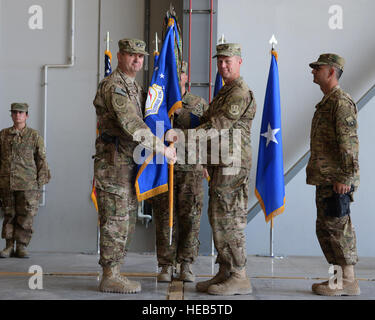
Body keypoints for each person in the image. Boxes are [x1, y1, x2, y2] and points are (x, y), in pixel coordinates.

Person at [169, 43, 257, 295]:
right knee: (218, 217)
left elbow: (216, 126)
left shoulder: (239, 92)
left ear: (239, 62)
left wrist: (180, 136)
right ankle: (225, 271)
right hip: (220, 163)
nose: (223, 65)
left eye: (228, 60)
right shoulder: (225, 92)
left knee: (229, 219)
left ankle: (239, 275)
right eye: (219, 61)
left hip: (233, 165)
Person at [93, 38, 176, 294]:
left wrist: (167, 133)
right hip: (113, 164)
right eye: (131, 55)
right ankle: (110, 275)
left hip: (129, 164)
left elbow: (150, 117)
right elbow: (133, 124)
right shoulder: (113, 86)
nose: (137, 60)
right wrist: (162, 148)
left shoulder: (136, 87)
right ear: (119, 56)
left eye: (140, 57)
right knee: (116, 220)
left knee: (126, 220)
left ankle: (115, 271)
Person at [307, 53, 360, 296]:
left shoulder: (341, 102)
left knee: (339, 229)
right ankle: (338, 280)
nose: (313, 72)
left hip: (337, 180)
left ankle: (348, 280)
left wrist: (345, 178)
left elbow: (349, 145)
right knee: (325, 229)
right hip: (325, 179)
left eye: (317, 68)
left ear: (331, 72)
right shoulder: (327, 102)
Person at [151, 61, 208, 283]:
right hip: (163, 169)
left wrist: (205, 164)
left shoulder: (198, 104)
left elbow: (209, 135)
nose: (177, 77)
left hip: (191, 170)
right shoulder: (157, 104)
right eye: (173, 73)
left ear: (186, 77)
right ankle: (166, 264)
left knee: (190, 217)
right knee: (165, 217)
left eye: (181, 73)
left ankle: (186, 264)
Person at [0, 103, 50, 259]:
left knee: (26, 215)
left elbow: (41, 159)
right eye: (14, 113)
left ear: (26, 115)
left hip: (28, 184)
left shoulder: (34, 136)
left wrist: (39, 184)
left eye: (20, 113)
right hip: (7, 181)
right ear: (11, 115)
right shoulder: (3, 135)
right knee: (9, 214)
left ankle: (21, 246)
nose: (17, 115)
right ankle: (8, 246)